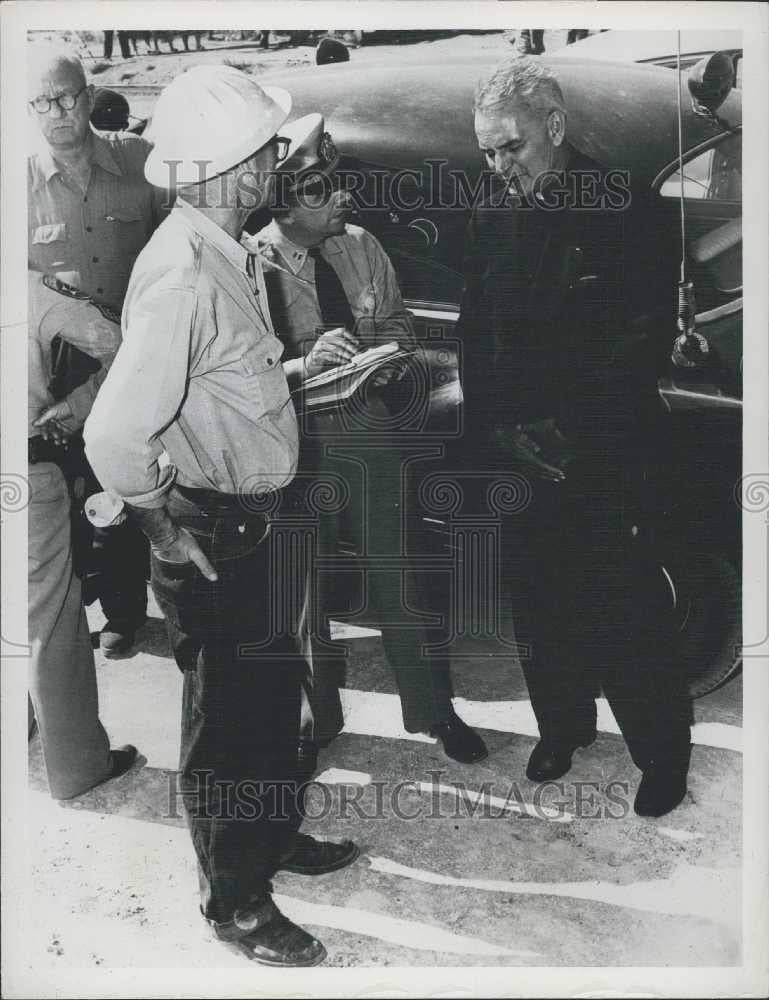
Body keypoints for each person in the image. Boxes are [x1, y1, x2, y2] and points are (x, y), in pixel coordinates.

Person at [84, 66, 358, 967]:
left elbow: (206, 388)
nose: (280, 161)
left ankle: (272, 839)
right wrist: (162, 529)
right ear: (237, 169)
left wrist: (284, 382)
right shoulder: (188, 277)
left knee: (271, 702)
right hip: (216, 533)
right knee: (229, 724)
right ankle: (234, 900)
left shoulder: (221, 251)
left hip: (255, 521)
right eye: (271, 150)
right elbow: (117, 434)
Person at [457, 56, 692, 817]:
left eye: (511, 148)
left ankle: (661, 753)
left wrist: (570, 435)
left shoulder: (626, 207)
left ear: (554, 128)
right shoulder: (490, 210)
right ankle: (561, 727)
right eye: (487, 151)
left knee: (625, 607)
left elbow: (640, 338)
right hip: (518, 455)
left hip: (603, 453)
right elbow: (474, 333)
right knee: (540, 605)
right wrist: (496, 429)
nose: (498, 166)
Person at [250, 113, 487, 764]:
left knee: (400, 572)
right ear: (285, 203)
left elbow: (403, 332)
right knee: (301, 590)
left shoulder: (362, 247)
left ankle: (434, 714)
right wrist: (305, 362)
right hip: (290, 441)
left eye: (338, 183)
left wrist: (384, 353)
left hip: (366, 430)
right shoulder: (250, 267)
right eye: (321, 189)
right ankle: (312, 721)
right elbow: (239, 377)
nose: (342, 198)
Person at [28, 47, 163, 655]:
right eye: (41, 103)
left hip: (136, 353)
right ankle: (74, 605)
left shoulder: (139, 162)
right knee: (69, 488)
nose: (55, 113)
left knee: (129, 480)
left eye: (65, 97)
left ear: (86, 97)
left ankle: (126, 613)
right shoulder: (17, 185)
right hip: (62, 367)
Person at [27, 268, 137, 798]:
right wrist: (76, 406)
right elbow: (129, 346)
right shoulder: (27, 288)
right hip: (21, 472)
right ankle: (76, 767)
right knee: (50, 620)